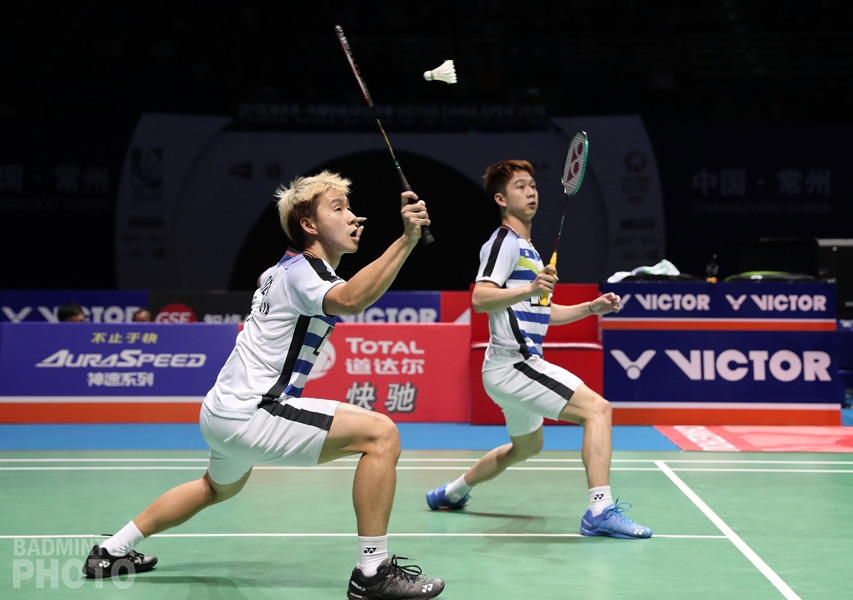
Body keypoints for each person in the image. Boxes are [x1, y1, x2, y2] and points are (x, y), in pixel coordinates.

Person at [83, 171, 446, 599]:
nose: (354, 217)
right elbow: (351, 300)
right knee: (381, 435)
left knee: (214, 488)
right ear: (308, 225)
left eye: (350, 208)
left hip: (220, 411)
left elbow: (271, 279)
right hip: (254, 411)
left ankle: (110, 551)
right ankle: (372, 573)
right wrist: (406, 240)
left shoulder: (284, 269)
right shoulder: (302, 273)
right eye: (338, 209)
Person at [425, 159, 652, 539]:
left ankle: (451, 492)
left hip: (507, 368)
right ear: (500, 199)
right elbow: (480, 298)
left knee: (526, 448)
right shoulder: (503, 243)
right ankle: (600, 510)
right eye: (520, 187)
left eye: (532, 185)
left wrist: (590, 308)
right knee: (598, 410)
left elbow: (544, 313)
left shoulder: (528, 250)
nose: (530, 192)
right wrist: (531, 288)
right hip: (514, 364)